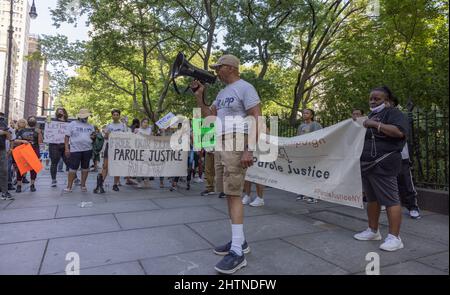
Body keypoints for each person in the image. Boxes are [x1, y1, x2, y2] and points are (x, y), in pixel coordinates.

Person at [191, 54, 261, 274]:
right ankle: (239, 242)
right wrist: (199, 97)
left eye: (218, 67)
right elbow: (208, 117)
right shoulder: (222, 93)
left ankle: (238, 254)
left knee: (234, 194)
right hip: (221, 143)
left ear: (230, 68)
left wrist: (249, 148)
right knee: (228, 194)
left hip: (236, 141)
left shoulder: (245, 87)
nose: (216, 71)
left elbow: (256, 117)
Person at [354, 86, 408, 252]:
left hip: (384, 163)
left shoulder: (394, 113)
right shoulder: (371, 115)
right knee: (372, 199)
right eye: (370, 98)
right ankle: (373, 230)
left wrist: (375, 124)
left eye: (377, 99)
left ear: (387, 101)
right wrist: (357, 123)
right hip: (367, 164)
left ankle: (395, 238)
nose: (372, 101)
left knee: (390, 199)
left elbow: (399, 132)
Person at [385, 96, 421, 219]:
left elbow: (402, 134)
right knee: (387, 182)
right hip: (384, 157)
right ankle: (389, 204)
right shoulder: (379, 117)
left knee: (406, 181)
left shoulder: (399, 116)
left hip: (401, 156)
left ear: (393, 103)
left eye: (388, 102)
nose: (386, 104)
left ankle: (413, 207)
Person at [94, 109, 128, 193]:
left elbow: (127, 136)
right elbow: (105, 138)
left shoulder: (123, 126)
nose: (115, 116)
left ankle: (115, 184)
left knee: (117, 166)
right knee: (105, 166)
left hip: (119, 148)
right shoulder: (109, 126)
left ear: (119, 116)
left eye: (117, 114)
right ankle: (100, 184)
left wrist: (126, 125)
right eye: (114, 114)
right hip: (110, 147)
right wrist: (106, 134)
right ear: (112, 116)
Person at [64, 109, 95, 193]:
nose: (85, 117)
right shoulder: (72, 124)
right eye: (84, 116)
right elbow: (67, 137)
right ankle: (69, 186)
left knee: (85, 168)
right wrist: (66, 148)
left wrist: (93, 137)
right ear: (79, 116)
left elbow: (93, 136)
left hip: (88, 149)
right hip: (75, 149)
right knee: (73, 168)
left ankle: (83, 185)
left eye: (86, 116)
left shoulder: (90, 126)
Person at [296, 108, 322, 204]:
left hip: (313, 154)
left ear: (311, 115)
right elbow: (297, 139)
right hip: (303, 154)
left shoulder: (316, 125)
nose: (304, 114)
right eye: (303, 113)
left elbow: (320, 138)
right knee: (303, 173)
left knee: (313, 174)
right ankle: (303, 192)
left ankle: (314, 195)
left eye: (307, 113)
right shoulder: (301, 126)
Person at [13, 117, 43, 193]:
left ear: (35, 122)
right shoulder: (22, 130)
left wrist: (39, 133)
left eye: (33, 120)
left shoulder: (38, 131)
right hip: (23, 151)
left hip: (34, 151)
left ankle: (32, 185)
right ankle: (19, 185)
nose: (32, 121)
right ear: (28, 121)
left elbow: (40, 142)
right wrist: (23, 141)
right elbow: (15, 140)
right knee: (21, 168)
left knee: (33, 168)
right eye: (31, 119)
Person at [49, 107, 69, 187]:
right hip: (54, 145)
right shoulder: (53, 122)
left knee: (69, 162)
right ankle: (53, 180)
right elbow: (48, 128)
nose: (60, 113)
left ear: (65, 113)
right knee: (54, 163)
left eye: (61, 111)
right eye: (58, 112)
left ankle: (74, 178)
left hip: (65, 145)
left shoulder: (68, 123)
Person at [134, 118, 152, 188]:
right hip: (138, 150)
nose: (146, 124)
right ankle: (139, 181)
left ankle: (146, 180)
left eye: (147, 122)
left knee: (146, 166)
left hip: (147, 150)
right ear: (141, 123)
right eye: (144, 122)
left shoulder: (149, 130)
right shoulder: (137, 130)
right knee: (139, 166)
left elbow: (151, 139)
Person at [0, 112, 14, 200]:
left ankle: (4, 192)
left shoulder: (3, 123)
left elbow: (9, 137)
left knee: (4, 171)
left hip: (2, 150)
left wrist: (4, 132)